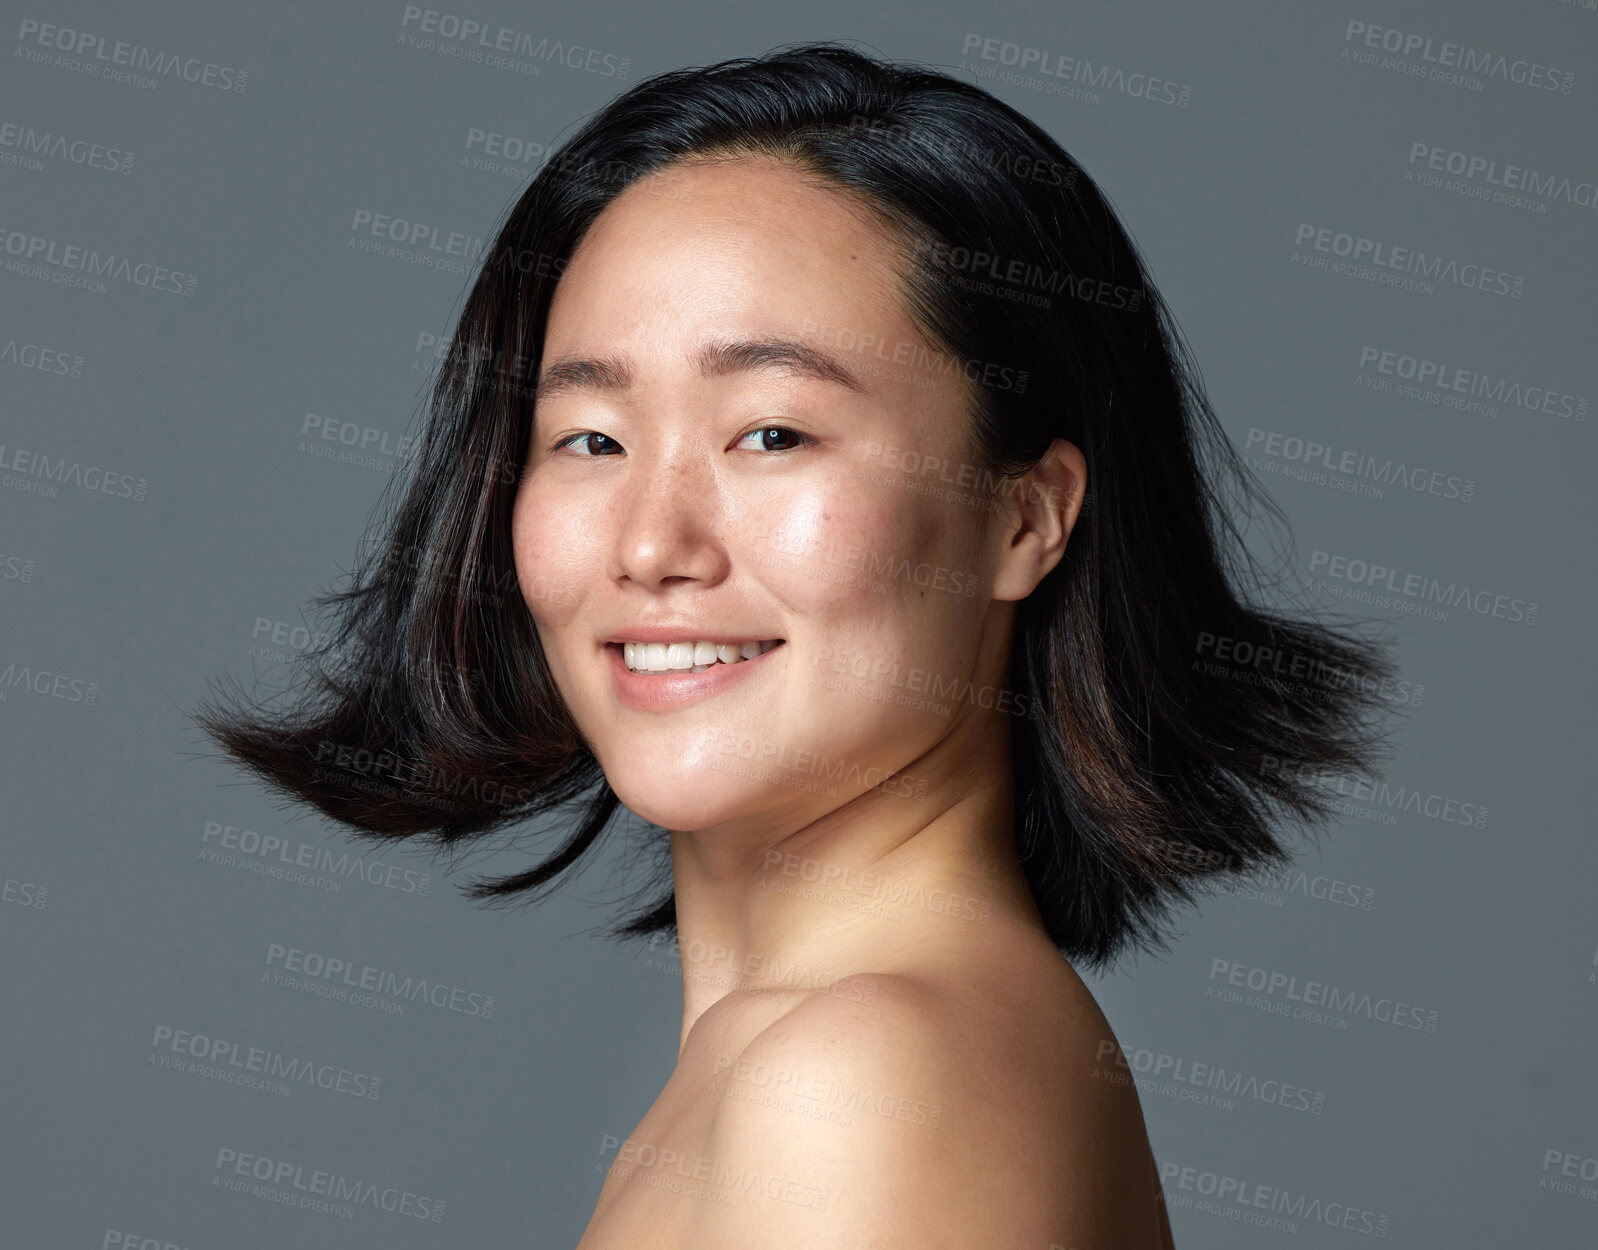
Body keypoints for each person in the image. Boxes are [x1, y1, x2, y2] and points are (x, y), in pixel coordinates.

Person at [195, 41, 1394, 1249]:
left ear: (1024, 516)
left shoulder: (859, 1073)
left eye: (770, 433)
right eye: (591, 438)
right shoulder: (820, 1049)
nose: (652, 544)